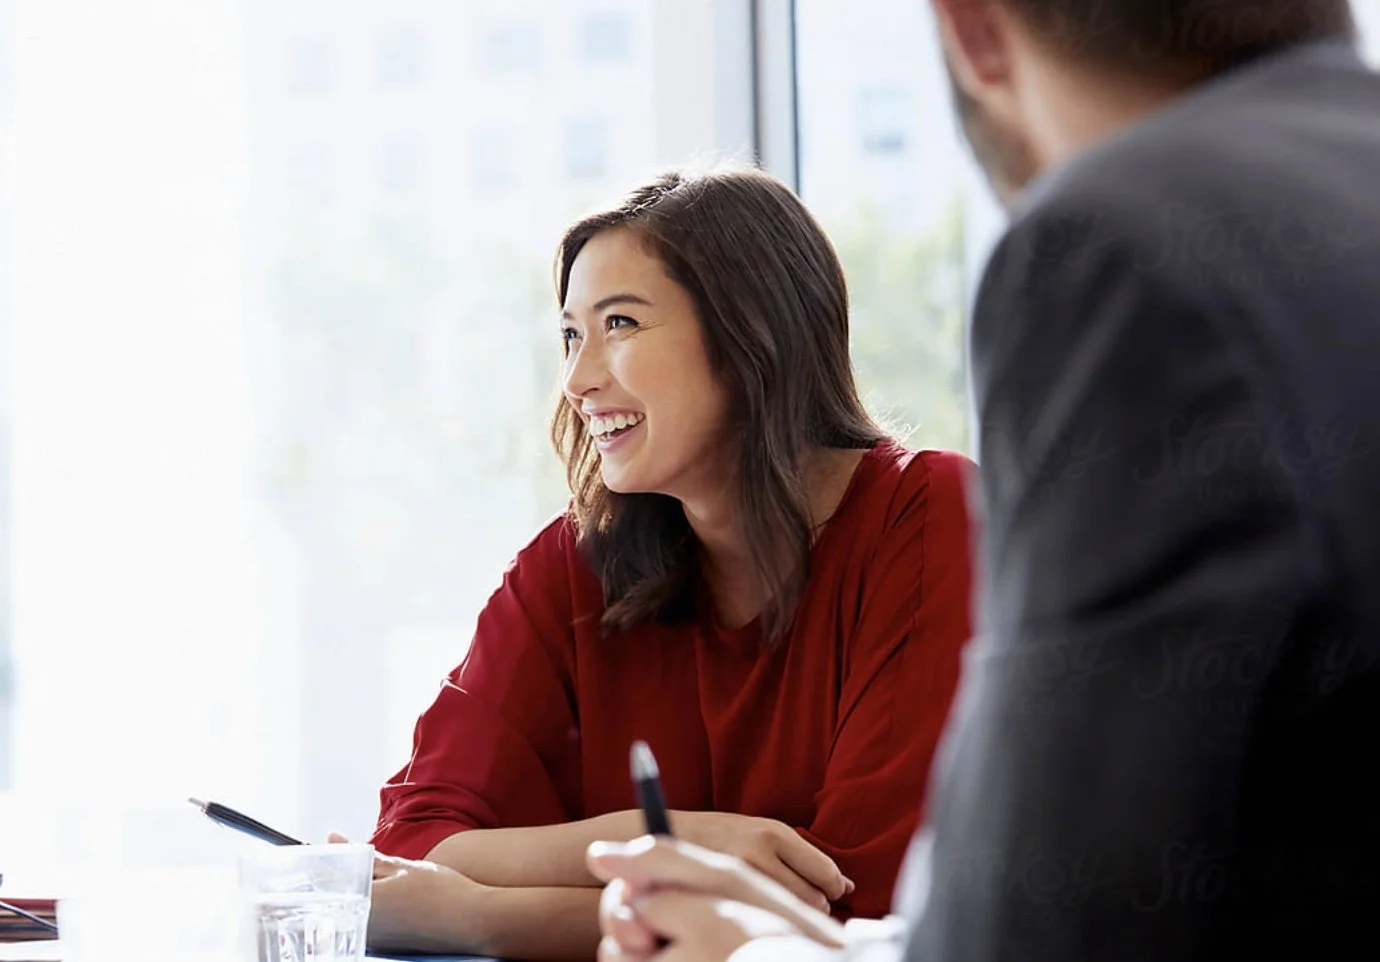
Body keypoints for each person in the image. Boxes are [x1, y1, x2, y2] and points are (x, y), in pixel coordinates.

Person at [586, 1, 1380, 961]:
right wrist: (821, 944)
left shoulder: (1122, 246)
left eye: (623, 324)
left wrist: (754, 956)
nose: (582, 375)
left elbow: (1048, 931)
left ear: (972, 29)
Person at [351, 166, 977, 960]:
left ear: (753, 331)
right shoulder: (574, 563)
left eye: (620, 324)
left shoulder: (931, 518)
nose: (578, 380)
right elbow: (412, 844)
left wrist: (479, 915)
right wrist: (684, 841)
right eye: (572, 335)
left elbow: (847, 915)